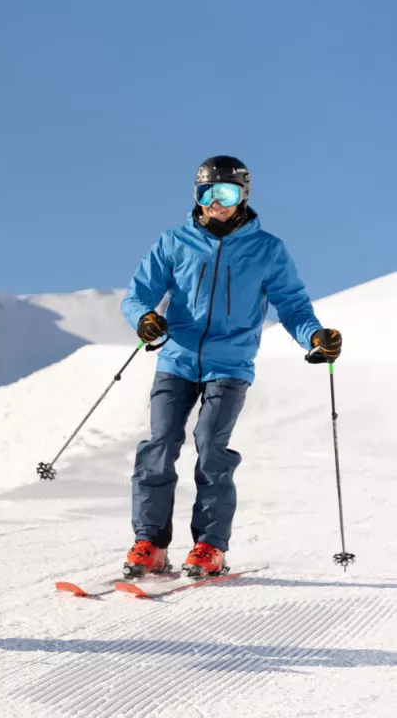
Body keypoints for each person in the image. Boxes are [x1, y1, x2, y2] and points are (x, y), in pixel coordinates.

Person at [120, 155, 343, 578]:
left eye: (227, 193)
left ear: (243, 196)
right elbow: (136, 296)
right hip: (176, 358)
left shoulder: (267, 250)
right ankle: (149, 543)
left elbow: (292, 305)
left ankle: (209, 546)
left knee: (211, 446)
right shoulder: (173, 242)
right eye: (207, 193)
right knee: (160, 443)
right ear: (196, 196)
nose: (215, 202)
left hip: (231, 363)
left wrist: (314, 336)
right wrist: (145, 319)